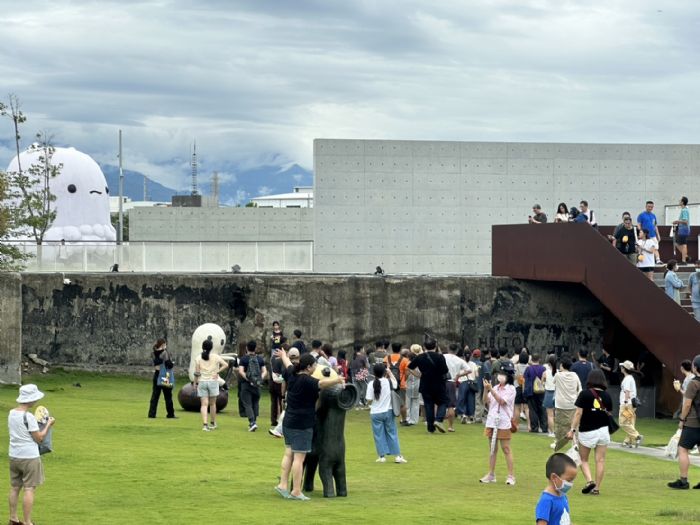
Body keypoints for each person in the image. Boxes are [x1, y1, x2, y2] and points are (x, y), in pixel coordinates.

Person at [274, 348, 344, 500]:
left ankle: (283, 485)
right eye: (314, 366)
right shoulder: (307, 381)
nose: (315, 368)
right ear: (308, 367)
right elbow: (323, 383)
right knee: (299, 458)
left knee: (288, 454)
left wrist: (284, 355)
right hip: (302, 423)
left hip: (288, 421)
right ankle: (296, 491)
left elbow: (287, 364)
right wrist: (338, 380)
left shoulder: (292, 373)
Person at [7, 384, 55, 525]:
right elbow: (39, 438)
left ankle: (13, 518)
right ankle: (28, 522)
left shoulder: (11, 413)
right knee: (29, 489)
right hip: (29, 457)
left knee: (15, 487)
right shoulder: (28, 417)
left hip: (14, 455)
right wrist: (48, 425)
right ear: (30, 399)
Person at [567, 369, 613, 495]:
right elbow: (609, 413)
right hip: (603, 431)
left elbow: (578, 413)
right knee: (600, 460)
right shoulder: (607, 396)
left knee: (583, 459)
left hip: (587, 431)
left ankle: (589, 481)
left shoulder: (584, 394)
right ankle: (597, 488)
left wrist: (572, 430)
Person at [480, 360, 517, 485]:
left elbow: (502, 401)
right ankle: (491, 474)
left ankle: (511, 476)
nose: (499, 376)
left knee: (506, 448)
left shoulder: (511, 389)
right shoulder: (495, 387)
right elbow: (485, 401)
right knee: (492, 449)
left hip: (504, 421)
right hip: (492, 420)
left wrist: (491, 390)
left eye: (502, 374)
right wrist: (486, 389)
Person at [668, 354, 700, 490]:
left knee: (682, 449)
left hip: (693, 422)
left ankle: (683, 481)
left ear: (695, 367)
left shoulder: (694, 383)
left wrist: (682, 419)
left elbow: (687, 404)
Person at [366, 363, 407, 464]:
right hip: (388, 411)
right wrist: (390, 372)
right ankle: (398, 456)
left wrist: (371, 404)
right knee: (392, 433)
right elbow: (396, 384)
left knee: (378, 435)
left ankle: (381, 456)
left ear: (374, 373)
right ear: (384, 372)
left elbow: (369, 399)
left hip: (375, 412)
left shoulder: (371, 384)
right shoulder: (388, 382)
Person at [407, 337, 449, 433]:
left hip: (425, 384)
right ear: (436, 346)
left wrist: (419, 375)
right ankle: (438, 420)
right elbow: (445, 371)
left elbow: (410, 367)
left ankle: (430, 428)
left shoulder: (420, 357)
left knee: (428, 405)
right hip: (439, 384)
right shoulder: (440, 357)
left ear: (424, 346)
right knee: (443, 402)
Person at [194, 339, 228, 431]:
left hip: (202, 381)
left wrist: (195, 383)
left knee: (204, 405)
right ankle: (213, 423)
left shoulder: (198, 358)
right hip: (213, 381)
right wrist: (217, 372)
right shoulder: (215, 357)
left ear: (202, 347)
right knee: (212, 404)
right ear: (211, 347)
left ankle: (205, 424)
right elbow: (225, 364)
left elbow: (197, 373)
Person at [535, 453, 578, 525]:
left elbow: (566, 520)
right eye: (569, 480)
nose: (571, 483)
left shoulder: (563, 496)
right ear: (554, 477)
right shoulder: (546, 500)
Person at [269, 347, 301, 438]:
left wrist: (283, 395)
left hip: (291, 394)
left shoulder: (287, 369)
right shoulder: (303, 367)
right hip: (300, 394)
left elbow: (284, 383)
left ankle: (280, 430)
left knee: (287, 413)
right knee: (288, 413)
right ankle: (280, 430)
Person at [238, 340, 268, 432]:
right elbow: (265, 371)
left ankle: (252, 422)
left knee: (247, 404)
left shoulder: (244, 359)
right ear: (255, 348)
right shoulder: (260, 359)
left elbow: (241, 371)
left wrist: (248, 378)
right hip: (257, 385)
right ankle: (254, 421)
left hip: (246, 385)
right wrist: (259, 379)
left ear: (247, 348)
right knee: (255, 403)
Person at [553, 356, 582, 451]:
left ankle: (558, 442)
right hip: (573, 403)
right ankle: (575, 443)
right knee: (574, 425)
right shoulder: (575, 375)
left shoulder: (558, 375)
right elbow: (579, 389)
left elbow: (554, 382)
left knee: (560, 425)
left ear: (562, 365)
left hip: (561, 405)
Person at [444, 343, 470, 431]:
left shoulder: (443, 357)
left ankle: (437, 421)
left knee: (438, 402)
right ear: (457, 351)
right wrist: (459, 375)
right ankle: (450, 426)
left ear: (448, 348)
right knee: (451, 405)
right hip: (451, 382)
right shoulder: (459, 360)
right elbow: (469, 370)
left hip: (441, 381)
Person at [148, 338, 176, 419]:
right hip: (164, 375)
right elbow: (168, 364)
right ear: (163, 344)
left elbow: (156, 362)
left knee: (155, 396)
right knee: (168, 396)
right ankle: (170, 414)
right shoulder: (164, 353)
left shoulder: (153, 353)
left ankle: (151, 414)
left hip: (157, 374)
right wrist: (172, 363)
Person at [619, 360, 643, 448]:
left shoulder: (628, 379)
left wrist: (625, 403)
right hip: (631, 404)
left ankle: (637, 436)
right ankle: (628, 441)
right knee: (630, 423)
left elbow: (627, 392)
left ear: (624, 369)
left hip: (627, 404)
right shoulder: (630, 378)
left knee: (623, 423)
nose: (621, 368)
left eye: (622, 367)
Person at [384, 342, 409, 425]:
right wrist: (404, 380)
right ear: (400, 349)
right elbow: (407, 373)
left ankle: (389, 419)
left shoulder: (386, 358)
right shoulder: (405, 360)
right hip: (401, 384)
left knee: (388, 402)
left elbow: (384, 371)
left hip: (388, 384)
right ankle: (404, 420)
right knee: (402, 403)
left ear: (392, 348)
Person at [524, 353, 547, 433]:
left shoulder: (528, 369)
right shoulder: (543, 368)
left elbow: (525, 380)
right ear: (539, 359)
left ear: (531, 359)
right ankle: (544, 427)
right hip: (541, 391)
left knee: (532, 410)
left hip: (531, 392)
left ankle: (534, 427)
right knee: (542, 409)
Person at [457, 349, 480, 424]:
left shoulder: (460, 363)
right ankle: (471, 416)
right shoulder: (473, 364)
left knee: (462, 399)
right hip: (471, 383)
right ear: (471, 356)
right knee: (471, 400)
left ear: (463, 355)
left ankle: (463, 414)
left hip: (463, 382)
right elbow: (477, 375)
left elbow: (458, 373)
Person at [405, 344, 422, 425]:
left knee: (412, 402)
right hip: (411, 384)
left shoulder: (418, 364)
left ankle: (411, 419)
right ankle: (410, 419)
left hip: (415, 384)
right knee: (412, 403)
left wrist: (410, 370)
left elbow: (420, 375)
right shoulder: (408, 364)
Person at [350, 343, 370, 408]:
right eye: (363, 348)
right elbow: (367, 366)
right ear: (361, 349)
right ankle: (364, 402)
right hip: (361, 375)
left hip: (354, 375)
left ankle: (356, 404)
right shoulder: (363, 357)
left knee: (357, 390)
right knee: (365, 388)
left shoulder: (353, 357)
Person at [672, 196, 690, 263]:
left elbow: (685, 221)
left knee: (682, 244)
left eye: (680, 200)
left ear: (682, 202)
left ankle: (684, 259)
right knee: (679, 244)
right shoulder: (684, 209)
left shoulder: (684, 210)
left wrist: (677, 221)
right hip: (682, 229)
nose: (679, 201)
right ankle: (685, 257)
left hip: (683, 229)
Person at [542, 354, 557, 438]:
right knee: (556, 415)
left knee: (550, 415)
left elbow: (541, 382)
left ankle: (551, 432)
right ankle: (556, 431)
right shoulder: (559, 372)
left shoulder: (545, 373)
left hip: (548, 393)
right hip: (557, 393)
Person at [514, 349, 530, 426]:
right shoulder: (529, 367)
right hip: (526, 388)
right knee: (527, 408)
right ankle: (529, 425)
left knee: (517, 407)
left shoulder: (515, 366)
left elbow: (513, 376)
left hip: (517, 387)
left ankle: (516, 425)